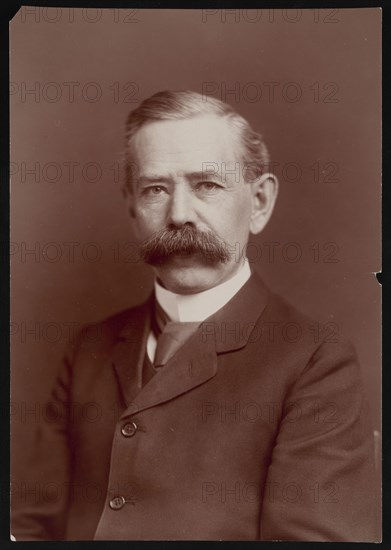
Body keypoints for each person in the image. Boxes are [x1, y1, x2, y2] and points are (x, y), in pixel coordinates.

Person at [11, 90, 376, 541]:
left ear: (259, 202)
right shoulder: (92, 345)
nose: (179, 214)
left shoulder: (316, 361)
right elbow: (28, 525)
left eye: (208, 184)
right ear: (131, 205)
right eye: (156, 189)